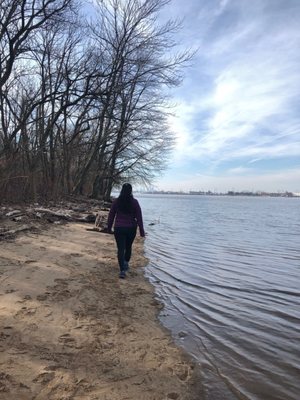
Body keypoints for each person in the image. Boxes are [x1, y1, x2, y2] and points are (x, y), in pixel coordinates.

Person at [107, 183, 145, 279]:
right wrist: (141, 231)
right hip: (131, 228)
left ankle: (122, 270)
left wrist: (109, 227)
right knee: (128, 247)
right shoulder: (135, 202)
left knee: (120, 249)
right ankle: (126, 263)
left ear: (122, 190)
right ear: (131, 191)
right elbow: (139, 217)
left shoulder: (116, 201)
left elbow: (111, 215)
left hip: (119, 228)